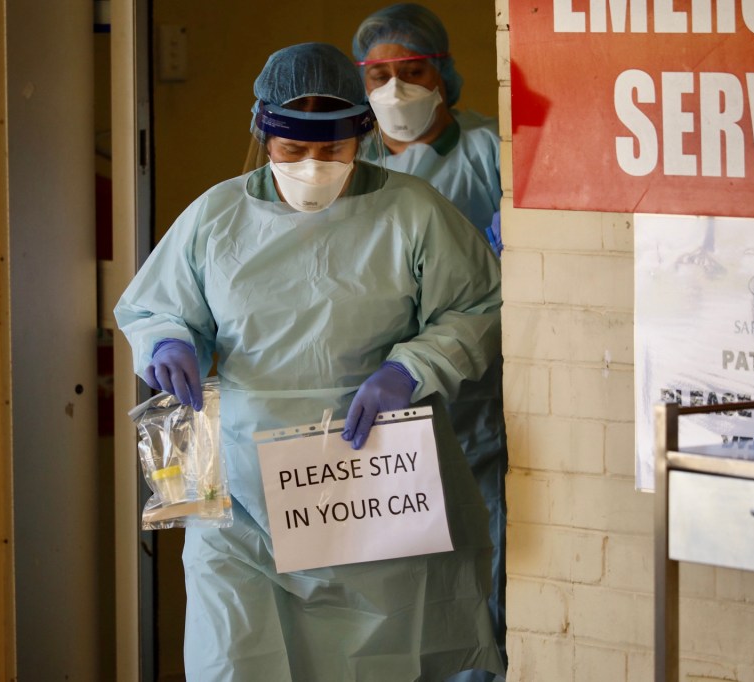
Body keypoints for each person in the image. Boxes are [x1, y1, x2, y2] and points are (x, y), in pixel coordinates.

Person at [115, 42, 504, 682]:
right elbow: (158, 306)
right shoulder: (218, 216)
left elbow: (477, 306)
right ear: (263, 135)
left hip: (368, 480)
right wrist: (170, 342)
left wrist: (411, 368)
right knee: (234, 659)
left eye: (332, 150)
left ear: (362, 135)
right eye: (293, 150)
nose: (313, 167)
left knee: (376, 662)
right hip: (240, 496)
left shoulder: (411, 212)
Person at [353, 3, 510, 673]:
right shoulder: (351, 161)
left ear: (443, 72)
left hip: (472, 398)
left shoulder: (488, 151)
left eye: (412, 71)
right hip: (376, 398)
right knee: (391, 586)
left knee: (479, 575)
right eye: (378, 75)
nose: (395, 89)